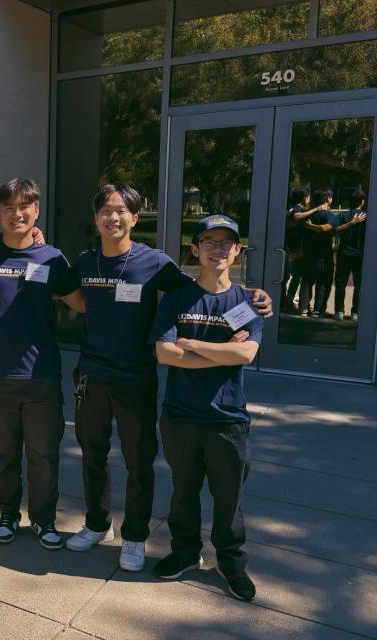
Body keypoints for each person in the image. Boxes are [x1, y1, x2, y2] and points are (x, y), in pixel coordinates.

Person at [61, 184, 273, 573]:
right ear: (96, 218)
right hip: (91, 375)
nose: (114, 217)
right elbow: (74, 297)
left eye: (122, 211)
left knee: (139, 460)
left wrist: (252, 296)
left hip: (135, 378)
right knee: (91, 454)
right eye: (106, 210)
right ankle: (96, 524)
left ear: (135, 218)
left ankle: (136, 536)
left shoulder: (155, 262)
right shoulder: (85, 262)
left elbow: (200, 288)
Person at [0, 177, 82, 550]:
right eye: (9, 207)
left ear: (36, 211)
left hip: (40, 376)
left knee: (43, 455)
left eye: (24, 206)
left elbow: (83, 304)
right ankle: (8, 514)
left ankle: (44, 521)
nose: (17, 213)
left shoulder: (51, 258)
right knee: (2, 453)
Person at [151, 214, 263, 603]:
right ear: (195, 249)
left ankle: (231, 564)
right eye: (209, 241)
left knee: (228, 497)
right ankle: (184, 552)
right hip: (181, 415)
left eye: (225, 242)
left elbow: (246, 353)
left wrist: (194, 345)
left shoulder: (246, 301)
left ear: (237, 252)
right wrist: (222, 352)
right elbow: (164, 353)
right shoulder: (178, 298)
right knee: (184, 490)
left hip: (228, 418)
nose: (218, 248)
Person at [298, 189, 338, 317]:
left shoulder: (306, 214)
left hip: (308, 252)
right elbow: (326, 228)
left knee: (306, 281)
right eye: (331, 197)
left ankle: (304, 308)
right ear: (328, 199)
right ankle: (318, 310)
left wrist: (309, 226)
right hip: (323, 255)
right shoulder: (329, 215)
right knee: (323, 282)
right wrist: (314, 227)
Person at [282, 188, 319, 311]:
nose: (309, 199)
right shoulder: (297, 208)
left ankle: (287, 303)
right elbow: (297, 217)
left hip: (291, 249)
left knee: (293, 277)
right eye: (308, 196)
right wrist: (316, 209)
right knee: (296, 277)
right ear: (304, 198)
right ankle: (288, 304)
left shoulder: (292, 208)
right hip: (295, 249)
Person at [334, 189, 367, 322]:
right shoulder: (366, 216)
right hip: (360, 255)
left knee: (341, 283)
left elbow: (334, 230)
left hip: (344, 252)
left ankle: (339, 311)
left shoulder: (344, 216)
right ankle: (355, 312)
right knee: (359, 285)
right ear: (362, 202)